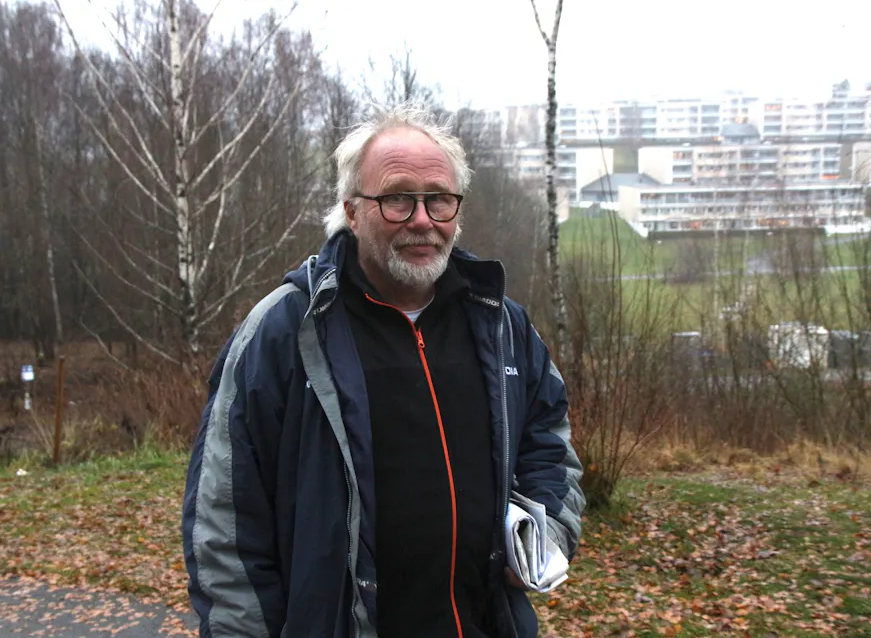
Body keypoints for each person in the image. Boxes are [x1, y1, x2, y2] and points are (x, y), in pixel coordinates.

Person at [181, 102, 585, 638]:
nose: (422, 220)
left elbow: (549, 438)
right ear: (352, 210)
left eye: (438, 199)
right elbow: (225, 519)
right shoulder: (284, 332)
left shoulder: (501, 327)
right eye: (397, 198)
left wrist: (547, 529)